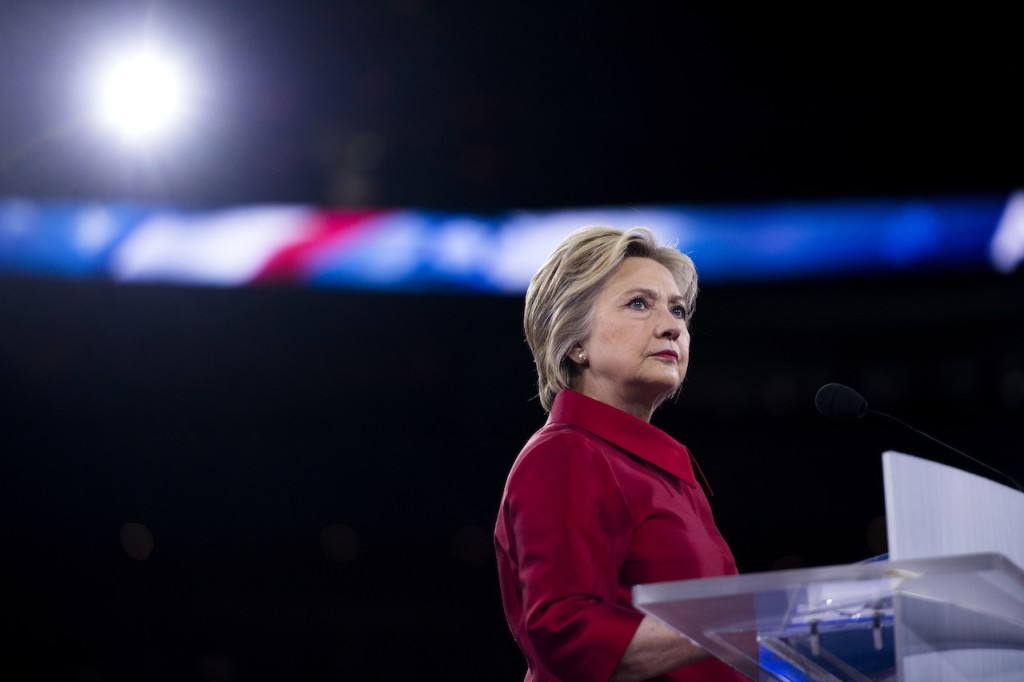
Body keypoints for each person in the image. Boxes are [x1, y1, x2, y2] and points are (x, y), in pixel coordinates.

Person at [494, 226, 745, 681]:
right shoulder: (565, 454)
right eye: (638, 304)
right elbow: (567, 634)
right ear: (574, 342)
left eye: (678, 309)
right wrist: (748, 622)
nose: (673, 326)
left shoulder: (657, 469)